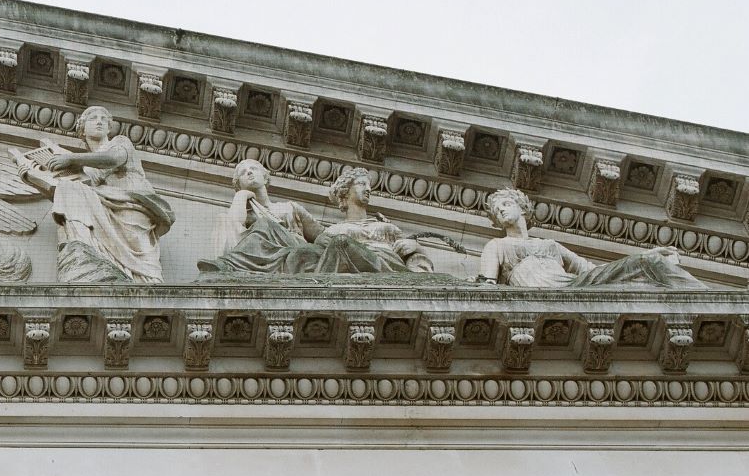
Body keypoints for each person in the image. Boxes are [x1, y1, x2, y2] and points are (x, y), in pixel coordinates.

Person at [200, 162, 434, 276]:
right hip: (286, 257)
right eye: (242, 172)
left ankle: (229, 265)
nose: (249, 173)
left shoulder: (290, 207)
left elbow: (320, 237)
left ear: (266, 175)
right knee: (268, 231)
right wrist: (241, 196)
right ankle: (229, 265)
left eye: (253, 168)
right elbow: (235, 221)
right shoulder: (249, 210)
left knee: (300, 245)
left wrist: (415, 247)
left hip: (302, 252)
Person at [30, 105, 171, 281]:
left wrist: (72, 158)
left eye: (104, 119)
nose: (99, 122)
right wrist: (33, 178)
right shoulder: (88, 167)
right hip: (104, 203)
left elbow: (113, 159)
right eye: (93, 118)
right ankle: (82, 249)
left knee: (137, 244)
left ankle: (146, 279)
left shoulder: (119, 142)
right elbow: (73, 195)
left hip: (130, 201)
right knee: (69, 189)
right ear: (82, 129)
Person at [478, 186, 702, 288]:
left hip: (572, 287)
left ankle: (700, 297)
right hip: (545, 293)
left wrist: (643, 255)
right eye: (497, 211)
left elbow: (593, 272)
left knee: (649, 262)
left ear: (522, 208)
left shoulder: (551, 245)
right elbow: (486, 285)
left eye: (506, 204)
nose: (502, 211)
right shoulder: (497, 246)